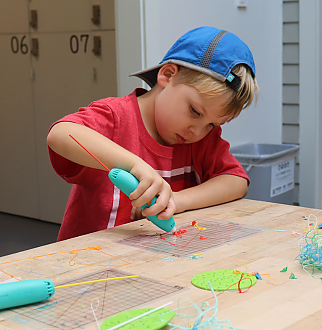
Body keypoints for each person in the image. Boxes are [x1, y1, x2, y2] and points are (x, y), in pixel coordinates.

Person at [47, 26, 259, 241]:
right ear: (167, 75)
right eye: (195, 111)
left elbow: (236, 181)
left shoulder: (201, 137)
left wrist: (178, 200)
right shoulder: (116, 117)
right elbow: (61, 133)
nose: (197, 131)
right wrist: (134, 165)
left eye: (212, 124)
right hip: (88, 265)